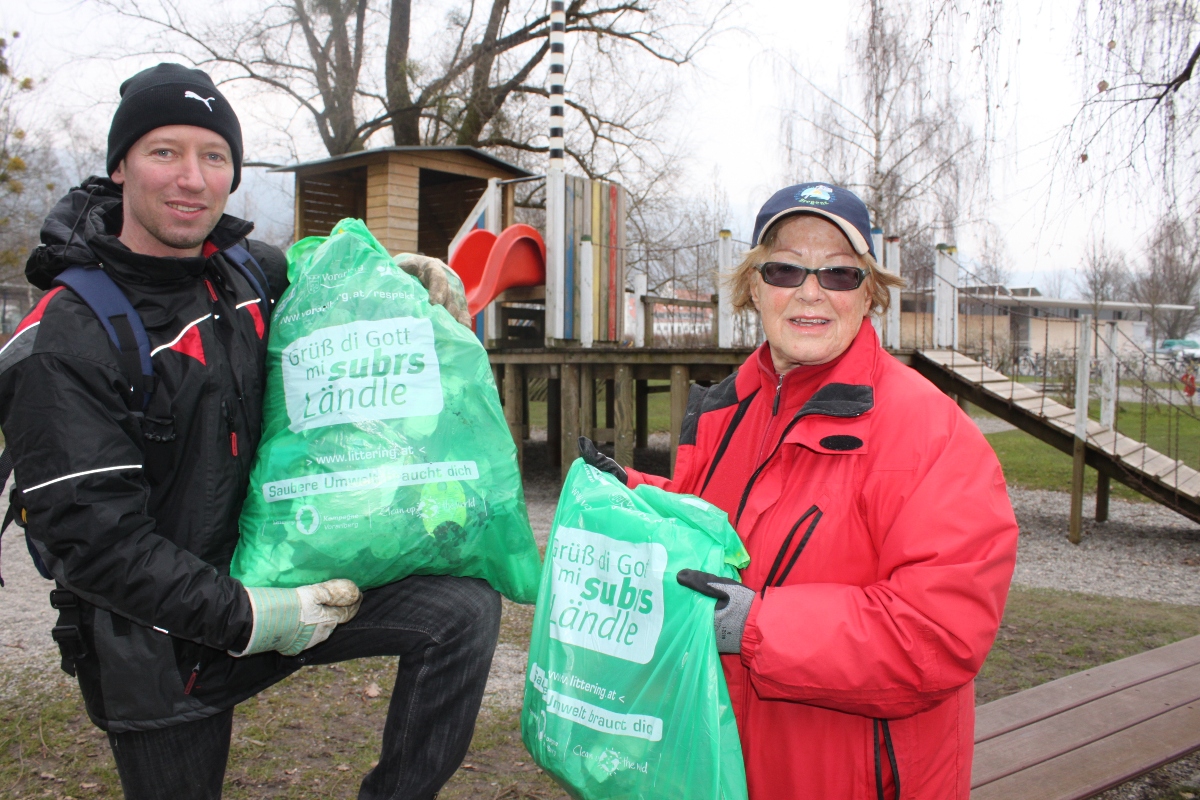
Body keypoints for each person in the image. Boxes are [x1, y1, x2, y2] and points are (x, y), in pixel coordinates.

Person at [0, 63, 495, 800]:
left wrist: (392, 281)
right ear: (119, 166)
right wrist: (253, 617)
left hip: (275, 574)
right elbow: (97, 545)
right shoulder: (65, 342)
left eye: (214, 156)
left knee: (463, 612)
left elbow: (322, 285)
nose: (192, 178)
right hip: (159, 642)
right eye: (164, 152)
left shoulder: (243, 274)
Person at [580, 183, 1019, 799]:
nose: (811, 291)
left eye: (838, 273)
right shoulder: (725, 408)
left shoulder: (933, 433)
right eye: (786, 269)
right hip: (724, 763)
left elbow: (938, 633)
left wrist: (756, 626)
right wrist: (632, 495)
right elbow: (716, 525)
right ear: (754, 287)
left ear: (869, 293)